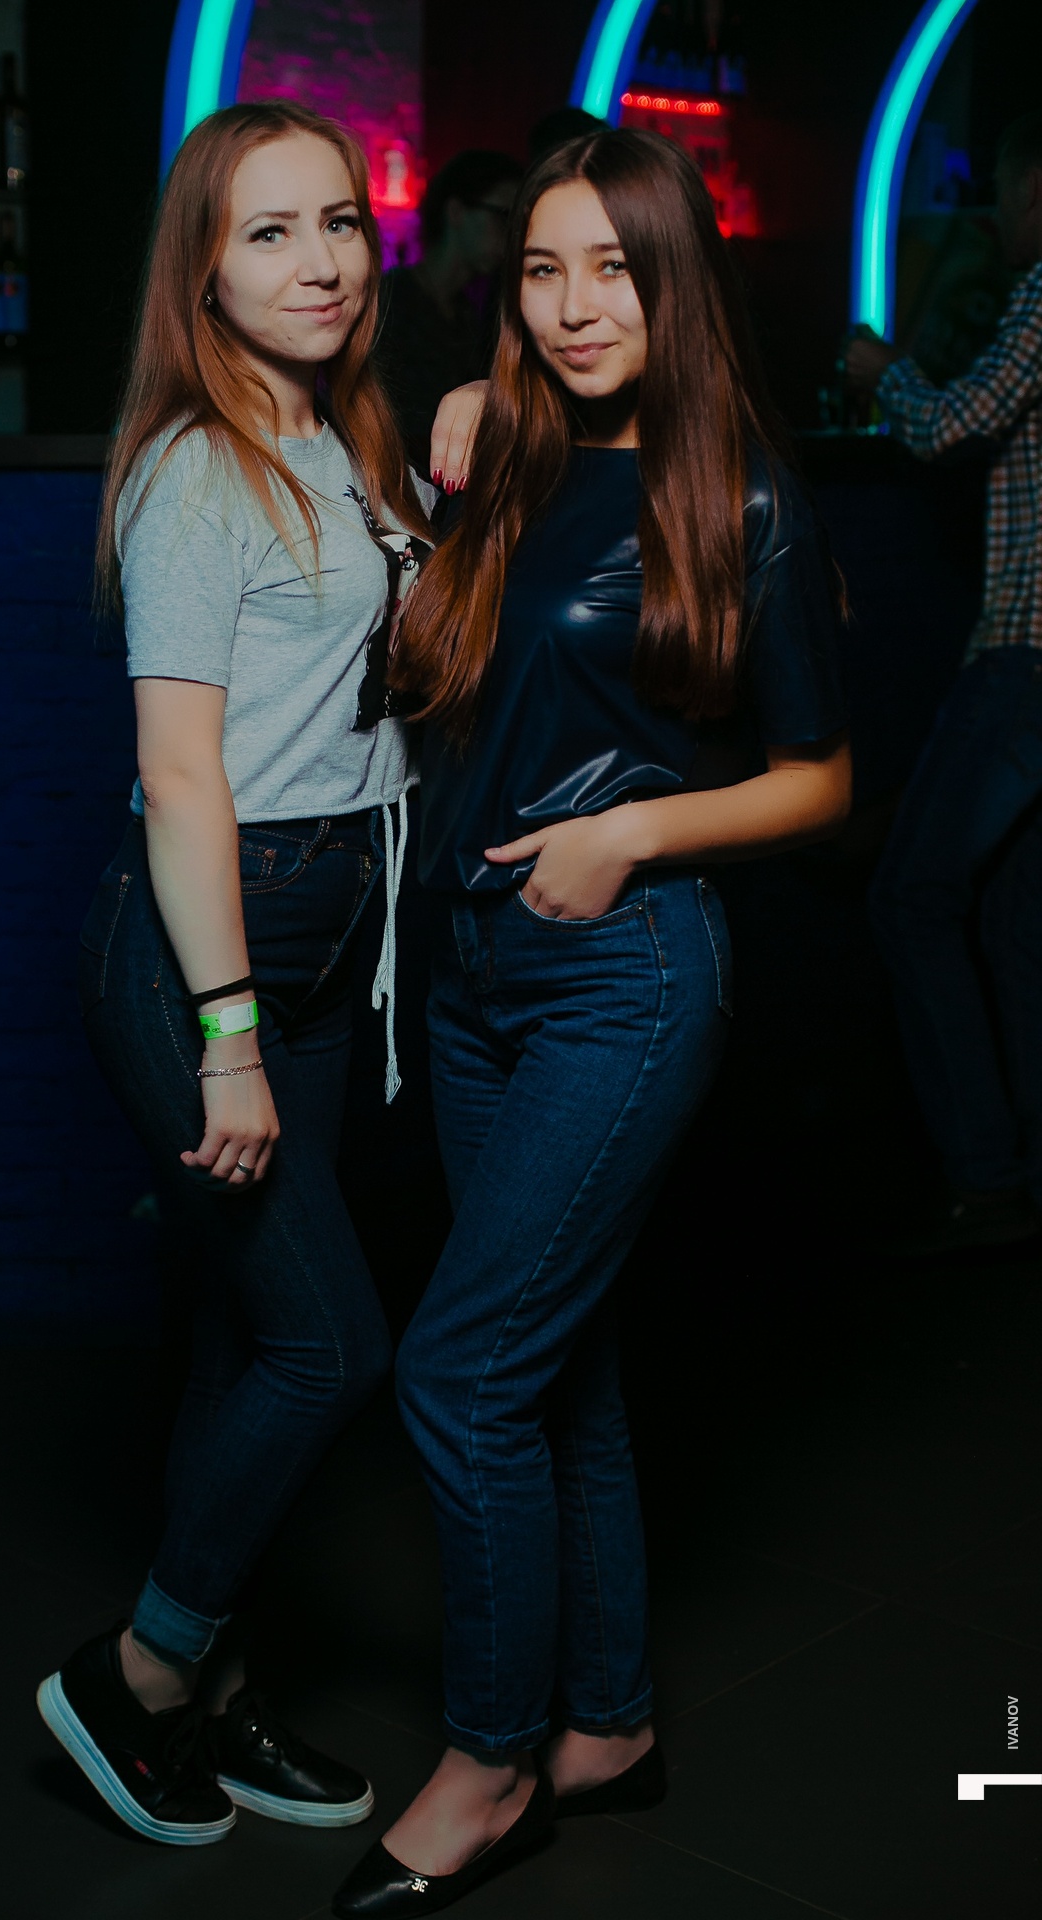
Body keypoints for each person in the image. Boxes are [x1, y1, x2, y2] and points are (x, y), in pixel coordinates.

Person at [332, 127, 852, 1916]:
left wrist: (633, 831)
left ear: (672, 280)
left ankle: (490, 1763)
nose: (572, 307)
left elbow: (818, 780)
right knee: (563, 1370)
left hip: (624, 973)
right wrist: (471, 414)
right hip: (473, 977)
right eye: (541, 272)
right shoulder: (510, 458)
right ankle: (608, 1724)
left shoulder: (743, 497)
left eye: (611, 270)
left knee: (462, 1371)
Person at [36, 102, 435, 1848]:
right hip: (214, 949)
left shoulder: (344, 439)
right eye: (269, 232)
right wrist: (227, 1040)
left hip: (331, 929)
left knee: (247, 1333)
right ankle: (138, 1671)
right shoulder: (201, 468)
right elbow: (182, 776)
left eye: (339, 221)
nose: (320, 260)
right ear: (201, 271)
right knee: (333, 1344)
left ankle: (217, 1682)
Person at [847, 109, 1042, 1257]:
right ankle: (1013, 1174)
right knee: (1014, 921)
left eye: (1005, 196)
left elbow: (945, 427)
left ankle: (981, 1176)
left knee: (908, 897)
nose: (999, 219)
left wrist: (884, 374)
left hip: (1024, 654)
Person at [375, 149, 522, 472]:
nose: (512, 233)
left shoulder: (470, 313)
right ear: (456, 212)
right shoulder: (387, 300)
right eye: (503, 215)